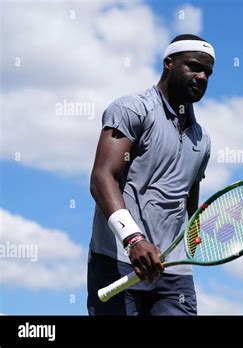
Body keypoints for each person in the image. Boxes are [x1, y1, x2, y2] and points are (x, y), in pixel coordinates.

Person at [87, 34, 215, 315]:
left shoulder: (202, 140)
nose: (202, 76)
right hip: (119, 258)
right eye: (194, 66)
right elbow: (101, 178)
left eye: (208, 72)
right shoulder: (132, 109)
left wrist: (194, 228)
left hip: (174, 271)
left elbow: (188, 193)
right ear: (168, 63)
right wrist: (134, 239)